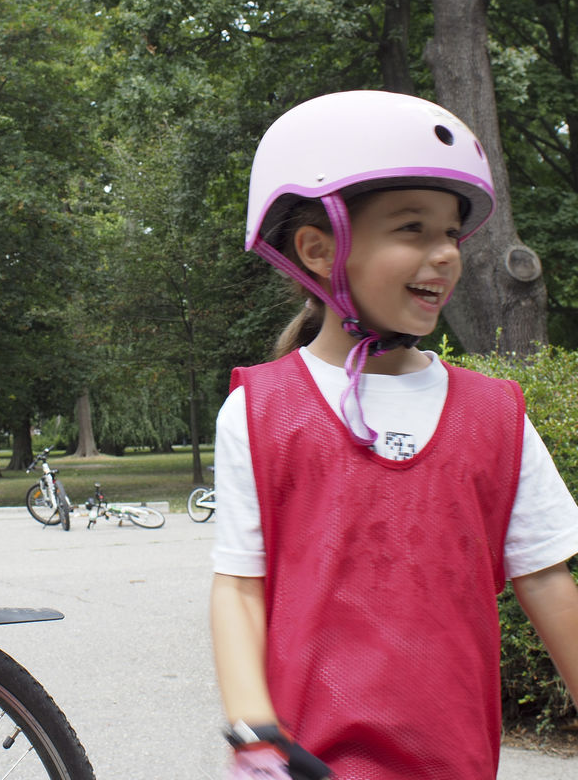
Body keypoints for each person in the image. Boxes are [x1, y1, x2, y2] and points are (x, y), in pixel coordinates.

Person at [211, 90, 578, 779]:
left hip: (457, 761)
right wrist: (251, 726)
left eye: (451, 233)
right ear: (320, 250)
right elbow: (239, 587)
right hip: (309, 763)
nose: (444, 254)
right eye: (413, 229)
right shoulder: (263, 411)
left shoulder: (494, 414)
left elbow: (548, 579)